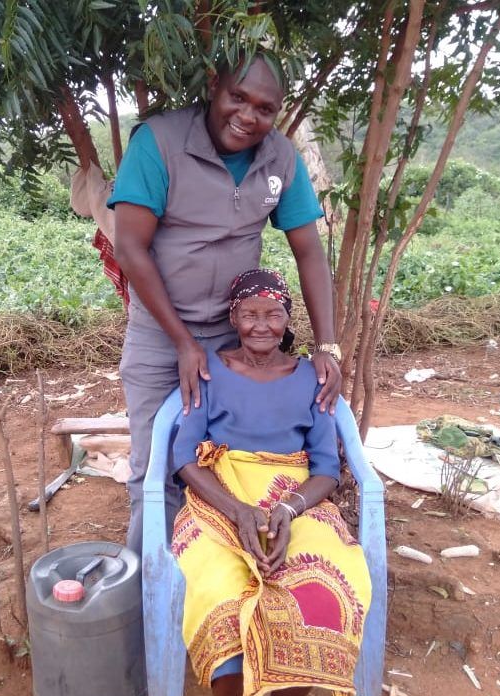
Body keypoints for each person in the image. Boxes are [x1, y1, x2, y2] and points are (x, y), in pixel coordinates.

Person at [109, 53, 342, 553]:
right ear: (215, 86)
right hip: (160, 336)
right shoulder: (160, 143)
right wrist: (182, 342)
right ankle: (149, 603)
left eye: (264, 107)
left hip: (234, 341)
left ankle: (222, 589)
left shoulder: (279, 157)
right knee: (155, 472)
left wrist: (327, 345)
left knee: (228, 466)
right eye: (237, 97)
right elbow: (130, 247)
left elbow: (309, 251)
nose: (247, 116)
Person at [170, 269, 371, 696]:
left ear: (287, 319)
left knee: (325, 591)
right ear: (233, 318)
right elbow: (184, 457)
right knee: (223, 594)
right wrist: (238, 509)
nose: (261, 326)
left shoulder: (312, 378)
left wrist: (289, 508)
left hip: (297, 499)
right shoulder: (208, 369)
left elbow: (325, 469)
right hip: (218, 497)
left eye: (273, 314)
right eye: (249, 314)